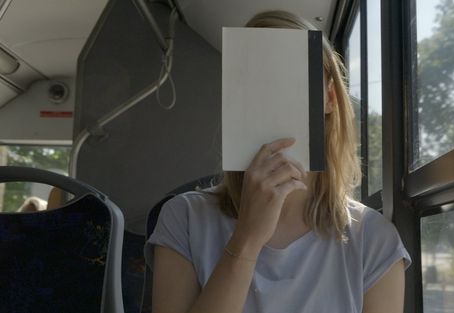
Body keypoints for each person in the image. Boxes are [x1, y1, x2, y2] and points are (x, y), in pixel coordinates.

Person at [145, 11, 411, 313]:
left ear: (330, 99)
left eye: (292, 81)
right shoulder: (184, 219)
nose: (271, 100)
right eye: (250, 84)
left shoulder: (373, 239)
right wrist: (246, 239)